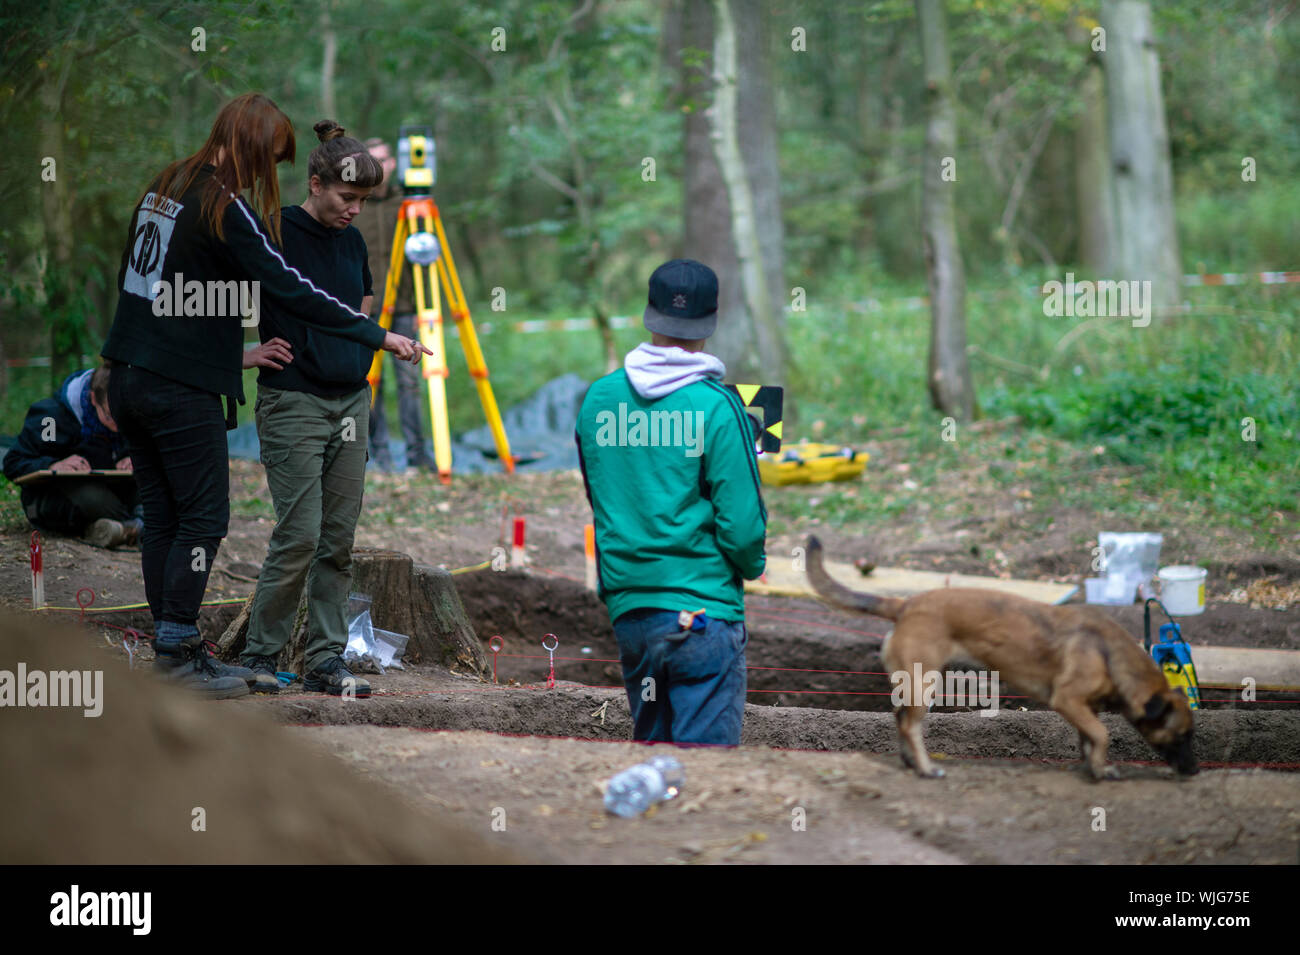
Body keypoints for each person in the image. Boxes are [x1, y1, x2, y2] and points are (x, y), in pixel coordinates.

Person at [100, 93, 429, 700]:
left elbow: (151, 286)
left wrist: (227, 353)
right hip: (180, 389)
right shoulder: (227, 204)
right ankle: (181, 651)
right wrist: (378, 336)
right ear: (252, 148)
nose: (265, 176)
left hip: (130, 372)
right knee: (200, 518)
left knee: (164, 520)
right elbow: (288, 287)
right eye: (269, 161)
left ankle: (173, 647)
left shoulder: (165, 187)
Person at [574, 259, 767, 745]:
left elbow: (602, 499)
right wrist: (751, 564)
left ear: (649, 315)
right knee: (704, 776)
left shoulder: (598, 399)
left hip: (631, 611)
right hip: (702, 612)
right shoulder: (721, 407)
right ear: (711, 321)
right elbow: (742, 530)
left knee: (653, 763)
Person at [239, 120, 393, 697]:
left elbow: (361, 304)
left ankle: (325, 660)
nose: (355, 210)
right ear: (315, 182)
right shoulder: (274, 232)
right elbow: (216, 299)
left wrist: (357, 361)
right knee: (299, 535)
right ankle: (260, 655)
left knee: (337, 541)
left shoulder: (352, 241)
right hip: (294, 401)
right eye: (347, 198)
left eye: (362, 201)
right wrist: (245, 352)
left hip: (350, 400)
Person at [354, 136, 436, 472]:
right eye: (374, 160)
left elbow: (430, 256)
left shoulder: (409, 206)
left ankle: (418, 456)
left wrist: (425, 308)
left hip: (404, 308)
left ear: (394, 164)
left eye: (386, 159)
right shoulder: (354, 207)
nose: (382, 166)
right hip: (365, 311)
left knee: (409, 382)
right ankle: (380, 456)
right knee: (371, 385)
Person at [2, 363, 142, 548]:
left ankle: (124, 528)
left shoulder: (132, 414)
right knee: (92, 497)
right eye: (109, 416)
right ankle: (133, 527)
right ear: (93, 399)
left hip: (113, 489)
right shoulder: (51, 418)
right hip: (55, 498)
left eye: (123, 417)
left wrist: (130, 458)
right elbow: (14, 462)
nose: (118, 425)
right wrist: (52, 465)